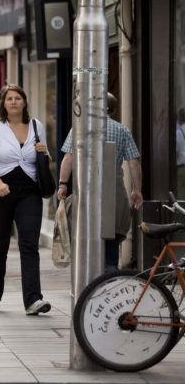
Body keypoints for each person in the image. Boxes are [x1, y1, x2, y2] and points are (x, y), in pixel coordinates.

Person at [0, 84, 51, 315]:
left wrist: (44, 151)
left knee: (29, 244)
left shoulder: (36, 125)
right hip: (0, 190)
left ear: (24, 102)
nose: (13, 102)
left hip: (29, 191)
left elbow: (40, 160)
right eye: (9, 98)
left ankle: (33, 300)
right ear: (3, 103)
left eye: (17, 98)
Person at [57, 93, 142, 271]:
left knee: (85, 236)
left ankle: (87, 283)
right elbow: (133, 162)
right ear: (113, 109)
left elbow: (68, 159)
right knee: (111, 239)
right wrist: (136, 190)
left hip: (86, 190)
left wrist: (63, 184)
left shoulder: (79, 129)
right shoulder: (122, 130)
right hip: (114, 191)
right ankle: (109, 281)